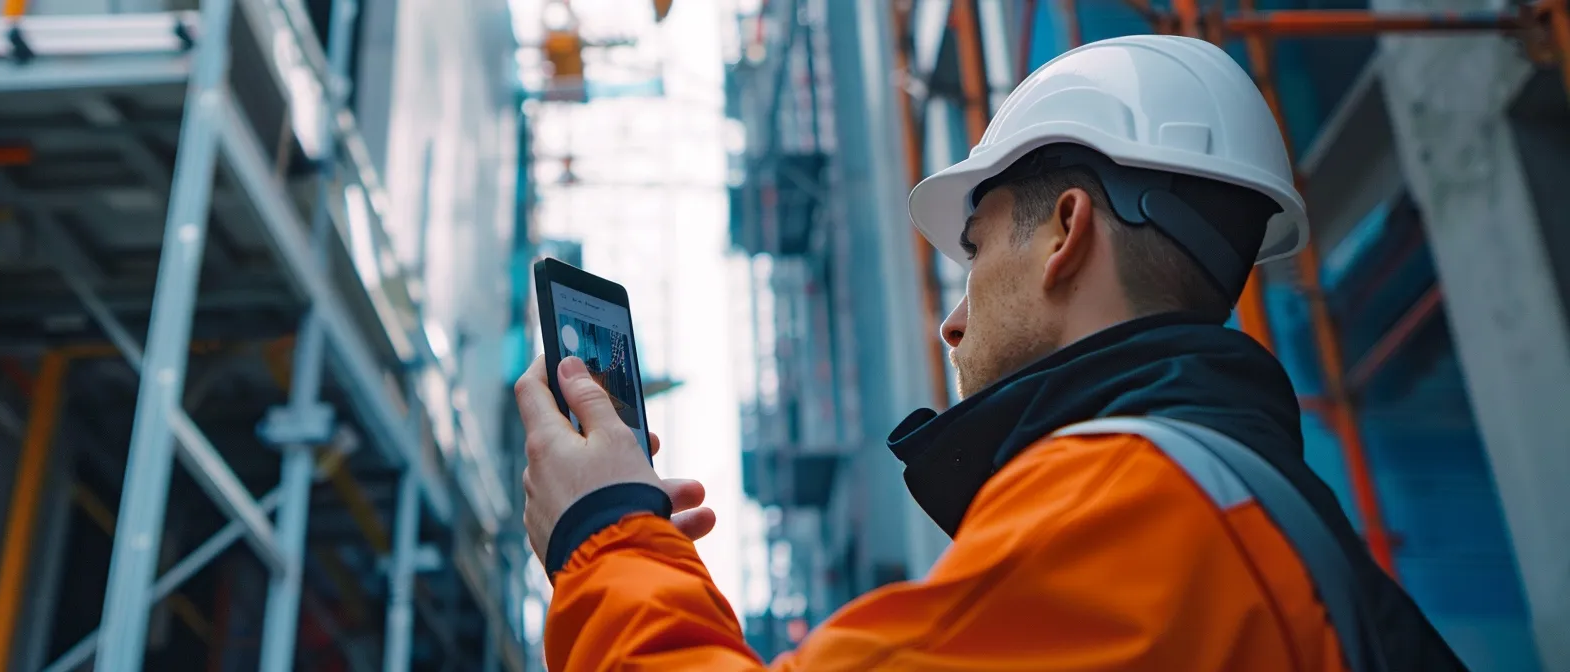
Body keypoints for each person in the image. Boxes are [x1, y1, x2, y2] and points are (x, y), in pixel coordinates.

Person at [512, 35, 1465, 671]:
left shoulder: (1135, 510)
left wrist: (603, 536)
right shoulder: (1259, 516)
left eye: (974, 256)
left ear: (1064, 232)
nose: (952, 323)